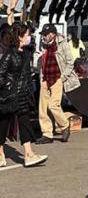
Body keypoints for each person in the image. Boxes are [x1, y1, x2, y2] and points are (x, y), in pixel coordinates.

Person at [0, 24, 48, 167]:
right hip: (8, 97)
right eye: (27, 35)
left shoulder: (27, 53)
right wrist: (9, 88)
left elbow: (26, 75)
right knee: (3, 125)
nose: (30, 37)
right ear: (20, 37)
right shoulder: (9, 54)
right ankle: (0, 152)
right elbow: (0, 76)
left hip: (23, 96)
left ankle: (29, 154)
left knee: (25, 123)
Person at [36, 24, 77, 144]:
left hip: (57, 78)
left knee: (53, 105)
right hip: (45, 78)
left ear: (52, 34)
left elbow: (70, 62)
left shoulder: (62, 44)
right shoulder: (43, 45)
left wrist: (63, 77)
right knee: (43, 108)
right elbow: (40, 61)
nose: (43, 37)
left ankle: (64, 126)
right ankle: (47, 134)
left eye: (45, 34)